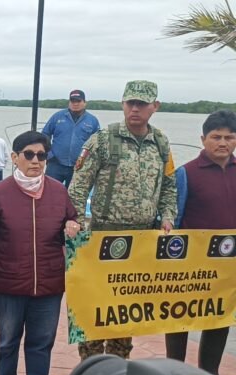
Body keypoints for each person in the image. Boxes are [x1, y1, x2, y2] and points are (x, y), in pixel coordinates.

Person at [69, 80, 177, 360]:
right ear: (123, 104)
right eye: (131, 103)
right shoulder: (103, 140)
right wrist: (77, 225)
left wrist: (167, 217)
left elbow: (169, 186)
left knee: (125, 310)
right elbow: (78, 187)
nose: (135, 109)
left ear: (155, 106)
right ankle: (91, 368)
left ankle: (118, 365)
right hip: (103, 238)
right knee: (94, 309)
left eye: (142, 104)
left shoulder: (161, 142)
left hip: (141, 242)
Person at [0, 131, 80, 375]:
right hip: (7, 283)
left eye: (41, 155)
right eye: (29, 154)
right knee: (7, 340)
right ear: (14, 158)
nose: (35, 161)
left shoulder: (58, 191)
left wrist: (73, 224)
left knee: (41, 343)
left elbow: (73, 219)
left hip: (49, 284)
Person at [165, 109, 236, 375]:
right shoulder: (186, 173)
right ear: (203, 139)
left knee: (219, 318)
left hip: (227, 265)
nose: (223, 143)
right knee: (178, 319)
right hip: (189, 264)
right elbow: (175, 218)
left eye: (229, 137)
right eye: (216, 137)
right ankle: (175, 374)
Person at [42, 89, 100, 187]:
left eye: (78, 101)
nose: (75, 104)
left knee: (74, 194)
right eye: (73, 101)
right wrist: (49, 154)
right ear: (69, 102)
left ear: (85, 103)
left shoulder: (92, 121)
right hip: (55, 164)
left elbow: (97, 142)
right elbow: (45, 134)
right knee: (49, 191)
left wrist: (89, 161)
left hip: (79, 166)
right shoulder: (57, 116)